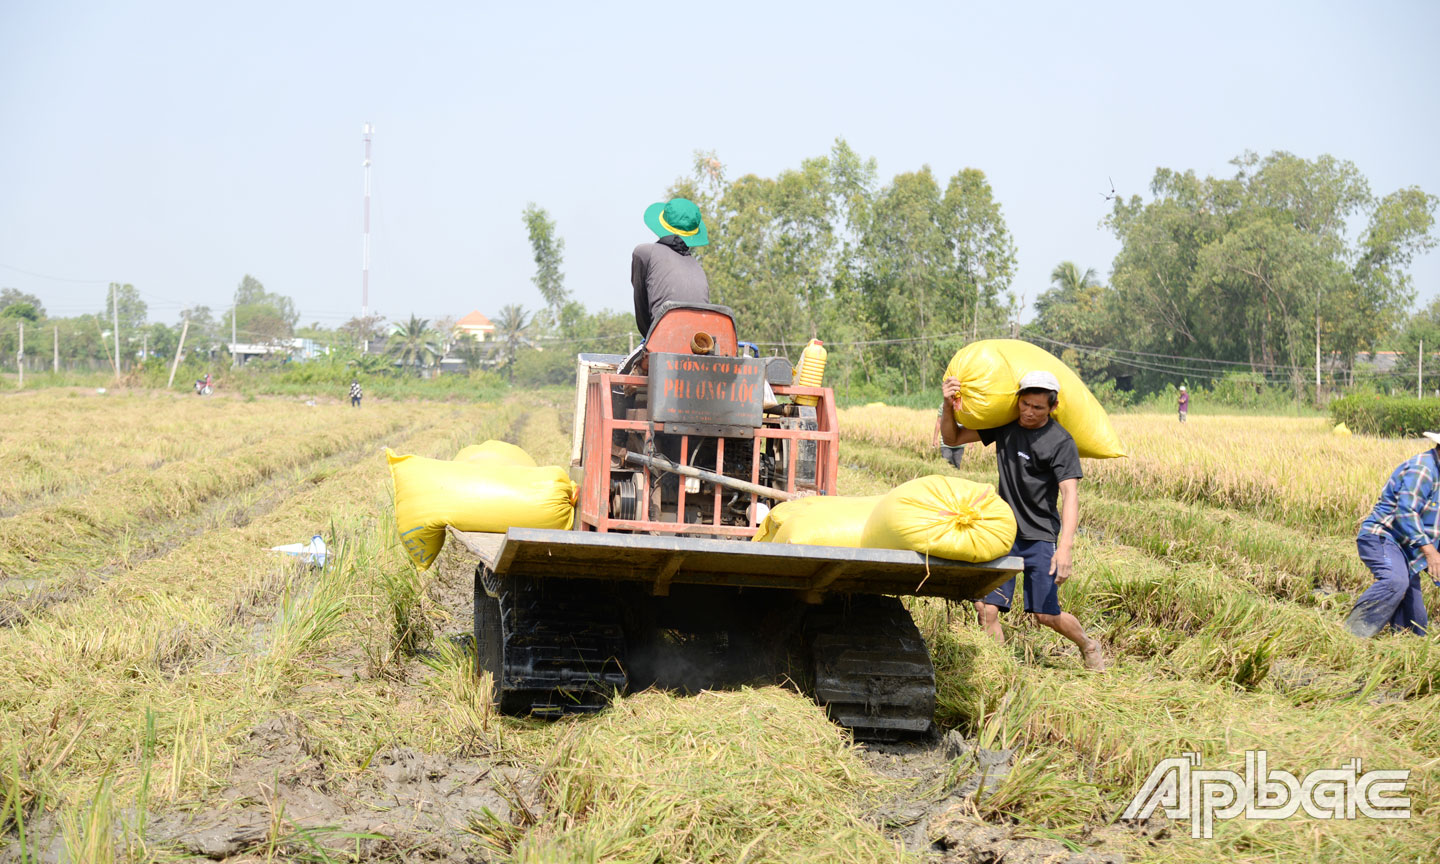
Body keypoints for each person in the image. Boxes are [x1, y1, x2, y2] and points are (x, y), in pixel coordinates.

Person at [940, 369, 1106, 671]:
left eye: (1038, 407)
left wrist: (1065, 547)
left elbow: (1070, 495)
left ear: (1052, 407)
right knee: (987, 609)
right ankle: (1002, 672)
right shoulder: (1004, 427)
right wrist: (947, 404)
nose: (1029, 413)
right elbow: (952, 438)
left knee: (1045, 614)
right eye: (1025, 404)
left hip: (1040, 536)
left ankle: (1088, 644)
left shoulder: (1060, 442)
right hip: (1004, 533)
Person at [1344, 433, 1440, 637]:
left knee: (1416, 629)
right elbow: (1406, 512)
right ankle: (1351, 636)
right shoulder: (1424, 469)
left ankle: (1403, 648)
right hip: (1384, 537)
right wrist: (1430, 552)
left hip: (1407, 551)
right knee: (1395, 582)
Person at [632, 197, 709, 336]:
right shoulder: (698, 268)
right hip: (699, 345)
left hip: (662, 342)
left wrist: (650, 338)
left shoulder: (643, 253)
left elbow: (641, 307)